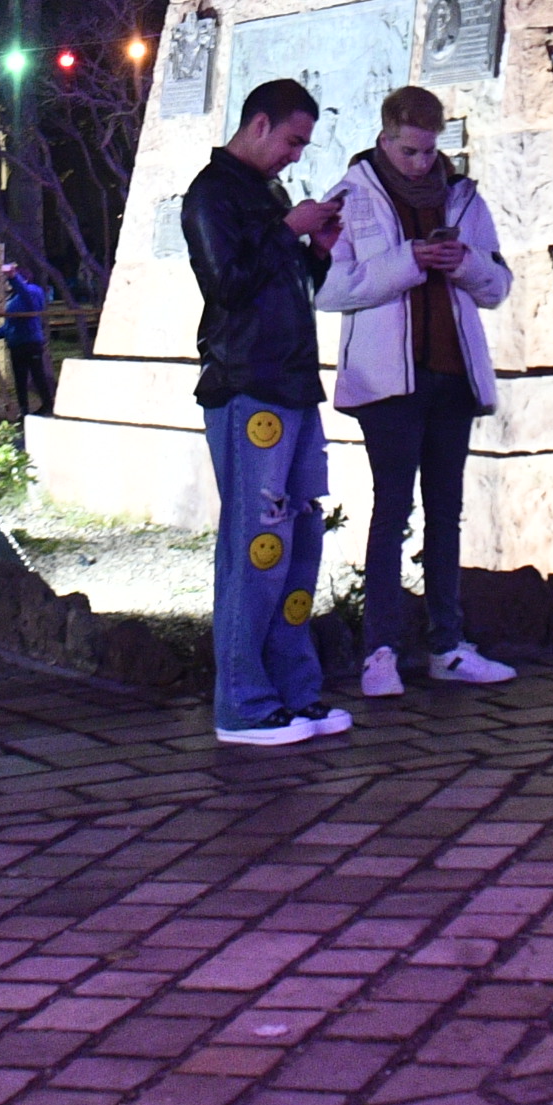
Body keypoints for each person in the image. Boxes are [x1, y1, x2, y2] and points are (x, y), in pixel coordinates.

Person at [317, 86, 518, 699]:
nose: (420, 163)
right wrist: (408, 261)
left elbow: (498, 284)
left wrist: (463, 264)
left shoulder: (463, 195)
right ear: (385, 137)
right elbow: (329, 289)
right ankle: (381, 650)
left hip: (453, 375)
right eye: (409, 151)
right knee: (391, 511)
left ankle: (447, 646)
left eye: (429, 151)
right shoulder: (349, 198)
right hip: (388, 384)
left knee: (446, 513)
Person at [183, 79, 348, 748]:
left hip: (293, 385)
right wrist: (288, 232)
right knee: (258, 546)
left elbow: (287, 287)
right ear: (258, 125)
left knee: (301, 540)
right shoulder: (210, 194)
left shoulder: (268, 195)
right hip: (245, 386)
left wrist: (318, 251)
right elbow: (225, 285)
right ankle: (243, 706)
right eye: (291, 141)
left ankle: (295, 694)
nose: (294, 156)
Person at [0, 251, 56, 418]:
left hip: (30, 341)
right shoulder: (13, 299)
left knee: (37, 375)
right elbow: (9, 325)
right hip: (16, 343)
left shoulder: (33, 291)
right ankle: (23, 409)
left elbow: (29, 302)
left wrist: (14, 278)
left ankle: (47, 404)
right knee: (19, 378)